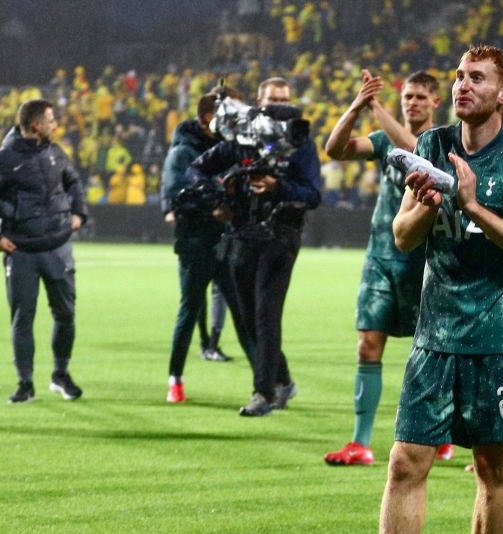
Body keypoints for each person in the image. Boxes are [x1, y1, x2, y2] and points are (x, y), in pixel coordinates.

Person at [323, 46, 503, 534]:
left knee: (491, 469)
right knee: (404, 462)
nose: (461, 85)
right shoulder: (429, 146)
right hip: (435, 335)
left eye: (475, 78)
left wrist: (471, 203)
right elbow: (402, 237)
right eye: (457, 76)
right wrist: (427, 207)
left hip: (498, 338)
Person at [322, 69, 451, 465]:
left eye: (418, 97)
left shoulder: (443, 143)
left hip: (424, 262)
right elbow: (334, 149)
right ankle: (360, 442)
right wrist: (358, 105)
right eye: (406, 97)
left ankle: (440, 433)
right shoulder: (383, 138)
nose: (411, 102)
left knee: (431, 352)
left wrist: (376, 106)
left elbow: (413, 149)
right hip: (380, 257)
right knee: (368, 344)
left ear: (435, 102)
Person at [187, 78, 322, 416]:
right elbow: (196, 170)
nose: (280, 107)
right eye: (273, 100)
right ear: (257, 103)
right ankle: (284, 380)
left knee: (265, 314)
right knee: (248, 318)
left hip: (281, 236)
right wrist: (215, 199)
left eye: (285, 99)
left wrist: (278, 186)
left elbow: (312, 194)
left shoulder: (300, 143)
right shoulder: (241, 139)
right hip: (242, 235)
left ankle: (263, 393)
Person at [0, 99, 87, 403]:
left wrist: (78, 214)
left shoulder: (56, 153)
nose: (56, 124)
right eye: (51, 120)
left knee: (66, 314)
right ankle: (25, 383)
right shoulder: (2, 159)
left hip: (58, 246)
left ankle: (60, 375)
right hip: (22, 252)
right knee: (23, 318)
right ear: (36, 125)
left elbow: (74, 183)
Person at [162, 92, 255, 403]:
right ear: (207, 120)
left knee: (242, 314)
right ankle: (175, 378)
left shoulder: (228, 149)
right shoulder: (183, 152)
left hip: (226, 241)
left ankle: (264, 384)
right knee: (189, 310)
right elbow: (177, 193)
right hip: (194, 241)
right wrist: (213, 204)